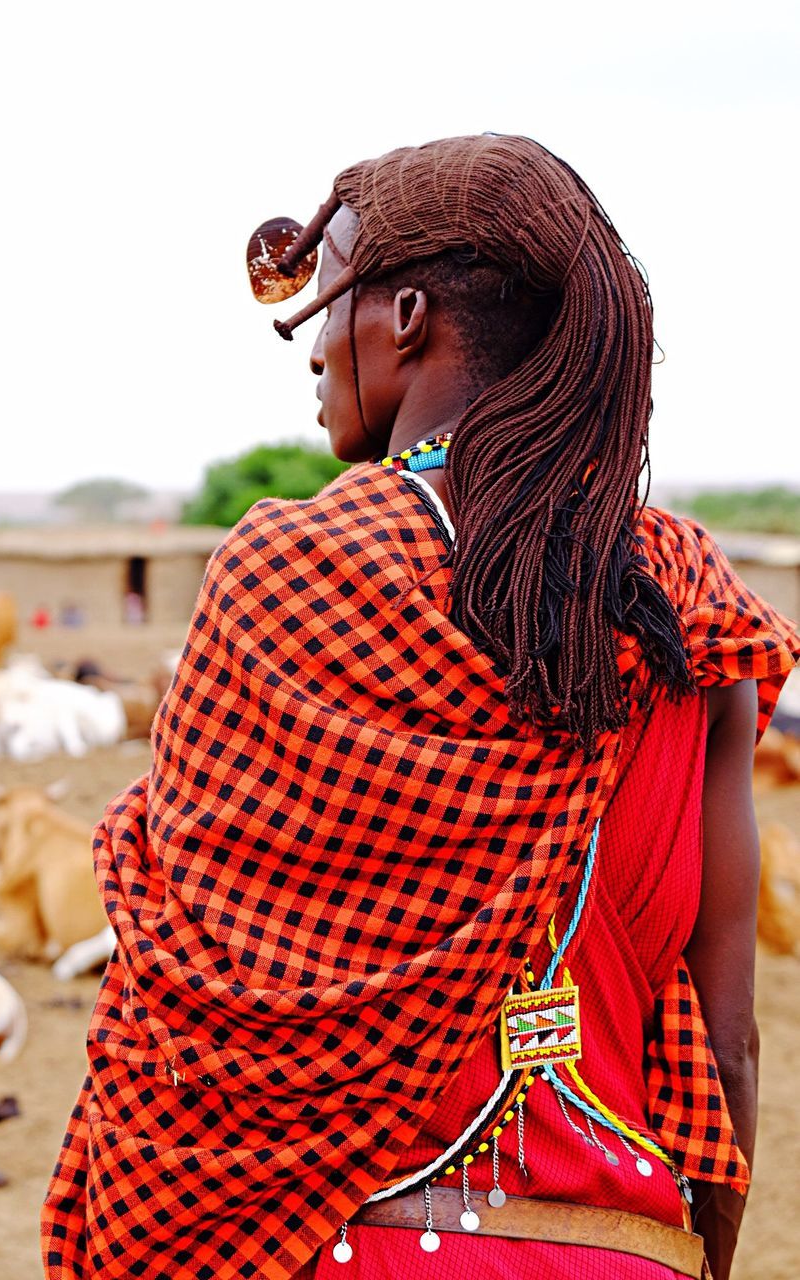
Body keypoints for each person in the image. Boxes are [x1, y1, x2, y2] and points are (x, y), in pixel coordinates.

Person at [42, 135, 799, 1280]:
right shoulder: (688, 609)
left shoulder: (296, 568)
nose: (310, 354)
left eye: (326, 302)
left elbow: (184, 1015)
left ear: (401, 316)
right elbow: (728, 1044)